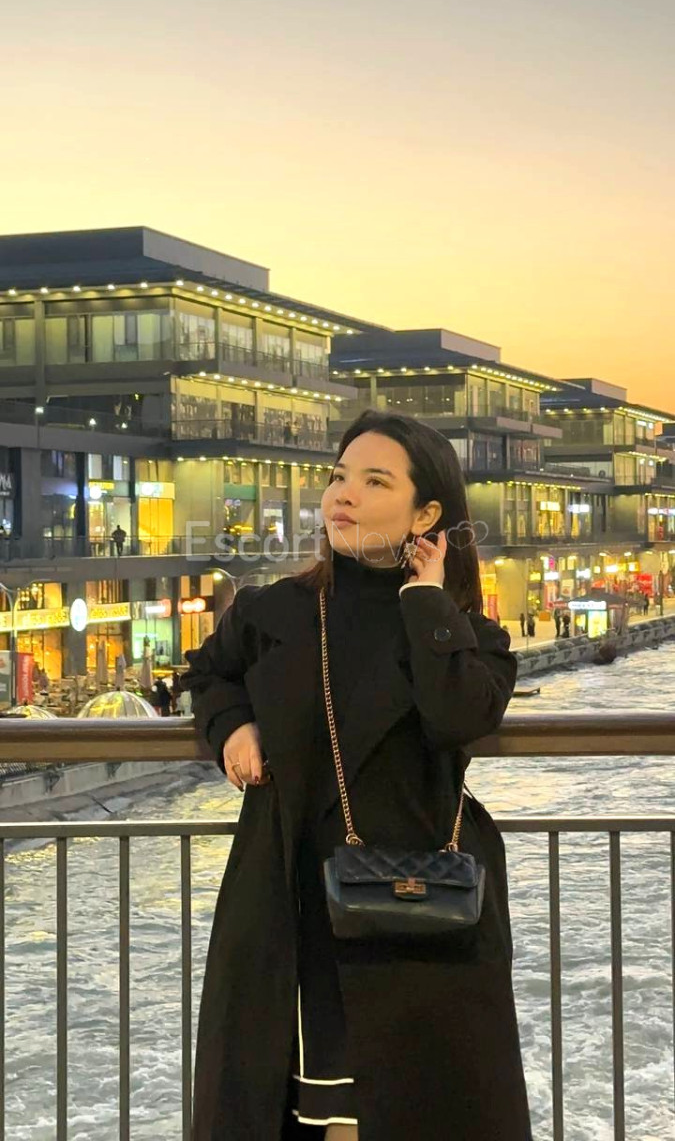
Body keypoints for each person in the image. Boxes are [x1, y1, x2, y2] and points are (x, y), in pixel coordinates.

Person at [182, 409, 531, 1141]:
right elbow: (207, 674)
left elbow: (460, 716)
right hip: (290, 900)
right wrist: (232, 726)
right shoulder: (274, 611)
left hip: (418, 909)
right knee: (295, 1110)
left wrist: (425, 597)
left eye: (375, 481)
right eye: (339, 476)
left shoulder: (463, 632)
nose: (343, 494)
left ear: (426, 514)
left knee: (416, 1108)